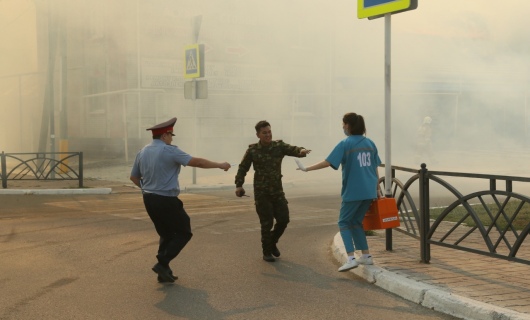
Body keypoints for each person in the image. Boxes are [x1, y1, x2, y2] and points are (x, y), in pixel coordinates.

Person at [130, 117, 231, 283]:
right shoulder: (170, 150)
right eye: (171, 135)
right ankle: (162, 263)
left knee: (166, 233)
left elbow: (134, 177)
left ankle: (164, 271)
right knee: (184, 232)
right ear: (164, 135)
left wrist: (148, 189)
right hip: (166, 200)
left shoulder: (142, 152)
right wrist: (220, 165)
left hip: (148, 198)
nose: (171, 139)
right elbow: (197, 162)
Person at [297, 113, 382, 272]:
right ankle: (366, 255)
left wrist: (306, 169)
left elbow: (328, 162)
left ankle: (351, 258)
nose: (342, 127)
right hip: (369, 191)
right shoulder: (370, 143)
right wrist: (377, 189)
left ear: (348, 126)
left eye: (343, 124)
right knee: (356, 222)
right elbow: (375, 167)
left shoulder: (345, 143)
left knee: (343, 222)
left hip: (353, 191)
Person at [234, 120, 311, 262]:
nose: (268, 135)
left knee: (284, 220)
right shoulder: (252, 150)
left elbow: (292, 149)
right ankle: (267, 252)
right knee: (266, 223)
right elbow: (242, 168)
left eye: (269, 132)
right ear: (258, 135)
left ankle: (272, 242)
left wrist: (301, 151)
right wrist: (239, 185)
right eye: (264, 133)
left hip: (277, 191)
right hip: (262, 193)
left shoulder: (278, 146)